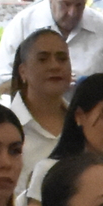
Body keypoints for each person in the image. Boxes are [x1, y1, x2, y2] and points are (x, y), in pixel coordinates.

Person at [7, 29, 76, 170]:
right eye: (43, 59)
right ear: (23, 71)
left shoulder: (82, 124)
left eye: (62, 59)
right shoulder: (4, 127)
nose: (55, 66)